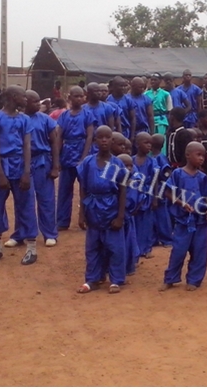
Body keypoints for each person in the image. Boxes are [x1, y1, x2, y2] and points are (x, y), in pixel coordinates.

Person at [0, 86, 39, 265]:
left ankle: (31, 249)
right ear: (14, 97)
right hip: (1, 165)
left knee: (26, 206)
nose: (26, 99)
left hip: (20, 165)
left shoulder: (25, 119)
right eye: (24, 96)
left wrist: (26, 172)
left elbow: (27, 146)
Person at [5, 90, 60, 249]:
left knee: (46, 199)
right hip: (21, 163)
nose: (38, 104)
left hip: (42, 161)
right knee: (22, 200)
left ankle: (50, 234)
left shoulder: (45, 120)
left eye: (39, 101)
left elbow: (54, 143)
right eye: (34, 101)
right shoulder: (16, 119)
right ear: (24, 102)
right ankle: (20, 234)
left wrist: (56, 166)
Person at [76, 126, 127, 294]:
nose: (104, 140)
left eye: (107, 137)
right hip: (93, 207)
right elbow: (83, 187)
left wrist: (120, 215)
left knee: (115, 246)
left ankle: (116, 279)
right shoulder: (88, 163)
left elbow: (122, 190)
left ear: (112, 140)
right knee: (92, 246)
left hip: (110, 206)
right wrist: (82, 213)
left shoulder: (117, 163)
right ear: (95, 140)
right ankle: (93, 278)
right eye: (100, 137)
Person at [159, 142, 207, 291]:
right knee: (178, 250)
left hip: (201, 220)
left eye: (203, 156)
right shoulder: (177, 174)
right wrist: (181, 203)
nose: (202, 158)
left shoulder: (202, 177)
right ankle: (170, 278)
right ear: (187, 155)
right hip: (183, 221)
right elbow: (167, 192)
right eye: (198, 155)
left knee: (199, 251)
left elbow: (206, 196)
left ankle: (194, 280)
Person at [56, 86, 95, 230]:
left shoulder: (87, 114)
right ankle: (62, 221)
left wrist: (84, 157)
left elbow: (90, 136)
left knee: (86, 188)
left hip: (82, 149)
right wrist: (58, 157)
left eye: (81, 96)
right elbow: (59, 136)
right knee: (64, 189)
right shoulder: (64, 116)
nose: (79, 99)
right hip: (67, 152)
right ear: (69, 98)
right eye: (76, 96)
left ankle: (85, 218)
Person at [132, 132, 159, 259]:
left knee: (147, 223)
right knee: (135, 222)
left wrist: (154, 198)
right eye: (146, 143)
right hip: (134, 194)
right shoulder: (131, 160)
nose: (149, 146)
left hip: (147, 194)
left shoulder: (152, 162)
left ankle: (147, 248)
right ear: (137, 145)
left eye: (150, 144)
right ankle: (135, 248)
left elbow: (155, 180)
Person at [116, 153, 141, 276]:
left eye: (131, 166)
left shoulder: (134, 180)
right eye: (125, 166)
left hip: (129, 216)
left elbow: (139, 197)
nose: (129, 169)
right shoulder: (114, 180)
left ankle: (129, 266)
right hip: (118, 216)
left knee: (129, 242)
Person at [149, 133, 173, 248]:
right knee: (153, 215)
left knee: (162, 215)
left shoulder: (160, 157)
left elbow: (167, 172)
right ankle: (154, 238)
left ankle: (167, 239)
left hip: (160, 189)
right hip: (153, 189)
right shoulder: (152, 157)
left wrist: (164, 181)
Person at [84, 83, 116, 153]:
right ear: (88, 93)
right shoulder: (83, 109)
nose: (99, 93)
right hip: (87, 144)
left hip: (103, 143)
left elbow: (111, 128)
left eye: (99, 91)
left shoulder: (107, 108)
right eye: (96, 91)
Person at [129, 77, 155, 142]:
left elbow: (150, 116)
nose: (142, 89)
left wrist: (152, 132)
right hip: (129, 130)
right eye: (140, 87)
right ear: (133, 86)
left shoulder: (146, 99)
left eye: (143, 87)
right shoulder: (127, 99)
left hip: (143, 130)